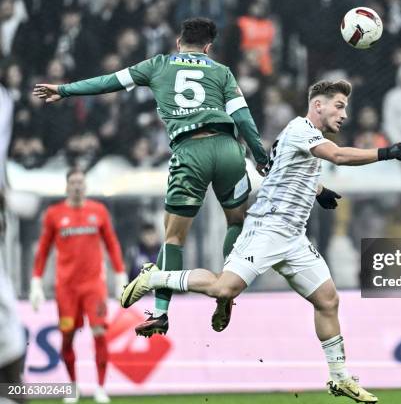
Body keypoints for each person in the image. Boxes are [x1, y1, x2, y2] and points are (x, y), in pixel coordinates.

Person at [121, 80, 401, 403]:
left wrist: (318, 191)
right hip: (266, 228)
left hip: (293, 237)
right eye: (339, 105)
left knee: (328, 300)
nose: (344, 114)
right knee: (223, 288)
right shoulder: (302, 129)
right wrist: (386, 152)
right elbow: (339, 156)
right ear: (318, 105)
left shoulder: (302, 136)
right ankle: (154, 277)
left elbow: (279, 170)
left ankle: (340, 378)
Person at [32, 17, 269, 338]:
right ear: (208, 47)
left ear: (178, 41)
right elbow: (243, 117)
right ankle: (228, 287)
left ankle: (160, 313)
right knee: (235, 222)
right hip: (229, 149)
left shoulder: (157, 65)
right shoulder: (221, 71)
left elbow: (108, 81)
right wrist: (260, 155)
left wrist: (65, 89)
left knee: (173, 238)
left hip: (191, 150)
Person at [29, 168, 127, 403]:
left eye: (80, 182)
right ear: (66, 186)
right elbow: (43, 250)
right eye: (72, 182)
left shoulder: (98, 211)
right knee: (66, 336)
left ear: (86, 185)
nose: (77, 186)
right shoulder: (54, 214)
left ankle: (100, 388)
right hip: (66, 289)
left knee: (100, 333)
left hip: (94, 286)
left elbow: (112, 243)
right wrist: (36, 282)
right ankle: (73, 386)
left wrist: (120, 274)